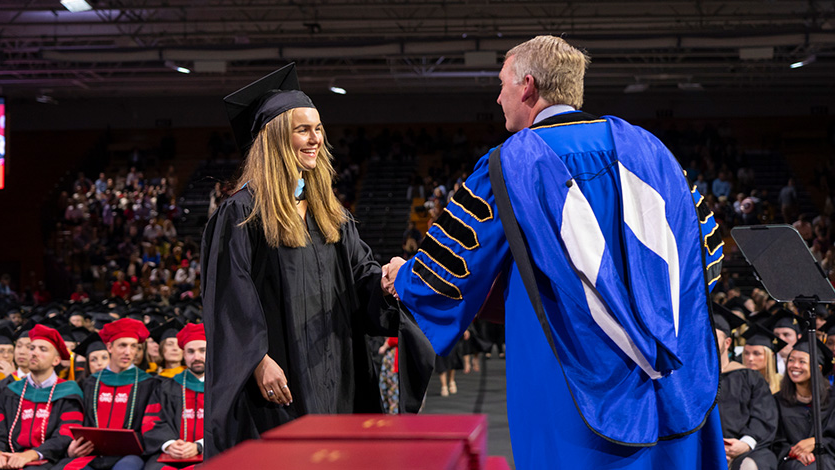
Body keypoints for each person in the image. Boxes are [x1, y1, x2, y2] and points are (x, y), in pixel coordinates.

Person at [382, 35, 725, 469]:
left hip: (568, 367)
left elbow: (455, 267)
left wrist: (405, 276)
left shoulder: (510, 165)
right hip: (671, 375)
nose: (498, 95)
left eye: (502, 83)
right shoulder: (651, 151)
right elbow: (705, 256)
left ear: (527, 86)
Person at [201, 63, 432, 459]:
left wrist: (385, 283)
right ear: (275, 139)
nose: (316, 139)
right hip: (279, 376)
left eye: (319, 128)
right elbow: (227, 297)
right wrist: (255, 360)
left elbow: (361, 277)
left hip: (336, 368)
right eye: (303, 129)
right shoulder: (244, 213)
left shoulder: (330, 212)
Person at [60, 318, 158, 470]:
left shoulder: (148, 383)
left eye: (134, 346)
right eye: (123, 345)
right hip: (91, 454)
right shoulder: (90, 383)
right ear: (109, 347)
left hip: (130, 456)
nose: (128, 352)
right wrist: (72, 446)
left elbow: (151, 425)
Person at [0, 325, 84, 468]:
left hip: (50, 461)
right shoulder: (11, 391)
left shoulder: (68, 392)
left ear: (56, 360)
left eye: (42, 349)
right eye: (32, 348)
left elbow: (64, 435)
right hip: (10, 459)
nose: (33, 353)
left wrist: (32, 454)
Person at [714, 304, 779, 470]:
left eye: (714, 337)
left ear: (727, 342)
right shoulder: (693, 379)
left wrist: (744, 444)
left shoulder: (750, 377)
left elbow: (763, 415)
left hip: (745, 448)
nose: (708, 341)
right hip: (705, 445)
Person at [142, 324, 206, 469]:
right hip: (172, 456)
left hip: (212, 453)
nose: (196, 357)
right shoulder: (166, 387)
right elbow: (151, 420)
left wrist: (200, 445)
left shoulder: (222, 388)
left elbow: (229, 427)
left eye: (202, 350)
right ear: (184, 355)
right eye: (190, 351)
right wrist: (169, 444)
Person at [772, 337, 835, 469]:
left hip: (827, 458)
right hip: (791, 461)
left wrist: (817, 443)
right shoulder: (778, 400)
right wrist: (797, 452)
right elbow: (775, 441)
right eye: (791, 360)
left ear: (818, 368)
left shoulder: (832, 399)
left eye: (802, 362)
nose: (795, 365)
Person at [743, 323, 787, 395]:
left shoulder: (782, 384)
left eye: (756, 353)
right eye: (747, 353)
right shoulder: (738, 383)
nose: (750, 358)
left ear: (770, 355)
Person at [766, 310, 805, 376]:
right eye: (777, 335)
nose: (781, 339)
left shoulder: (806, 362)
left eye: (786, 334)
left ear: (799, 337)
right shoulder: (766, 362)